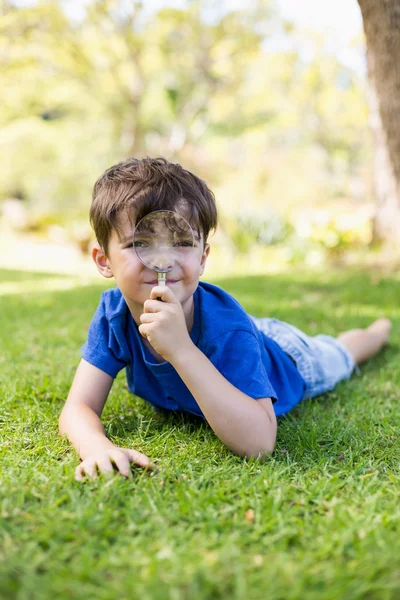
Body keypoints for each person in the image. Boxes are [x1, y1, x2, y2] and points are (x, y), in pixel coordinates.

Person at [59, 157, 392, 480]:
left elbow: (259, 443)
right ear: (104, 261)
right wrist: (95, 445)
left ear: (203, 258)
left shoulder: (226, 329)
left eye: (182, 242)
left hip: (292, 357)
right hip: (250, 334)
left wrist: (181, 349)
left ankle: (377, 332)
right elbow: (78, 408)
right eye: (141, 243)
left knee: (339, 354)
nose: (164, 259)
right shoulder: (113, 313)